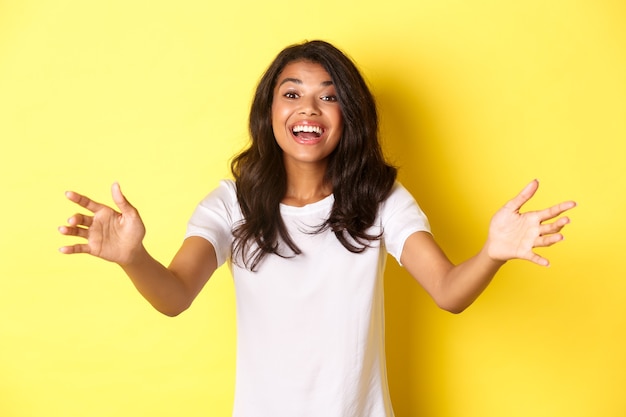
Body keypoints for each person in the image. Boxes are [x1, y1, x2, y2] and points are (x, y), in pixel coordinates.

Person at [58, 40, 576, 417]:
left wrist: (492, 252)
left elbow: (447, 291)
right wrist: (133, 258)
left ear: (348, 116)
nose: (309, 108)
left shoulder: (379, 199)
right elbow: (174, 295)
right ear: (270, 112)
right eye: (292, 94)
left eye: (328, 97)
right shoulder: (230, 203)